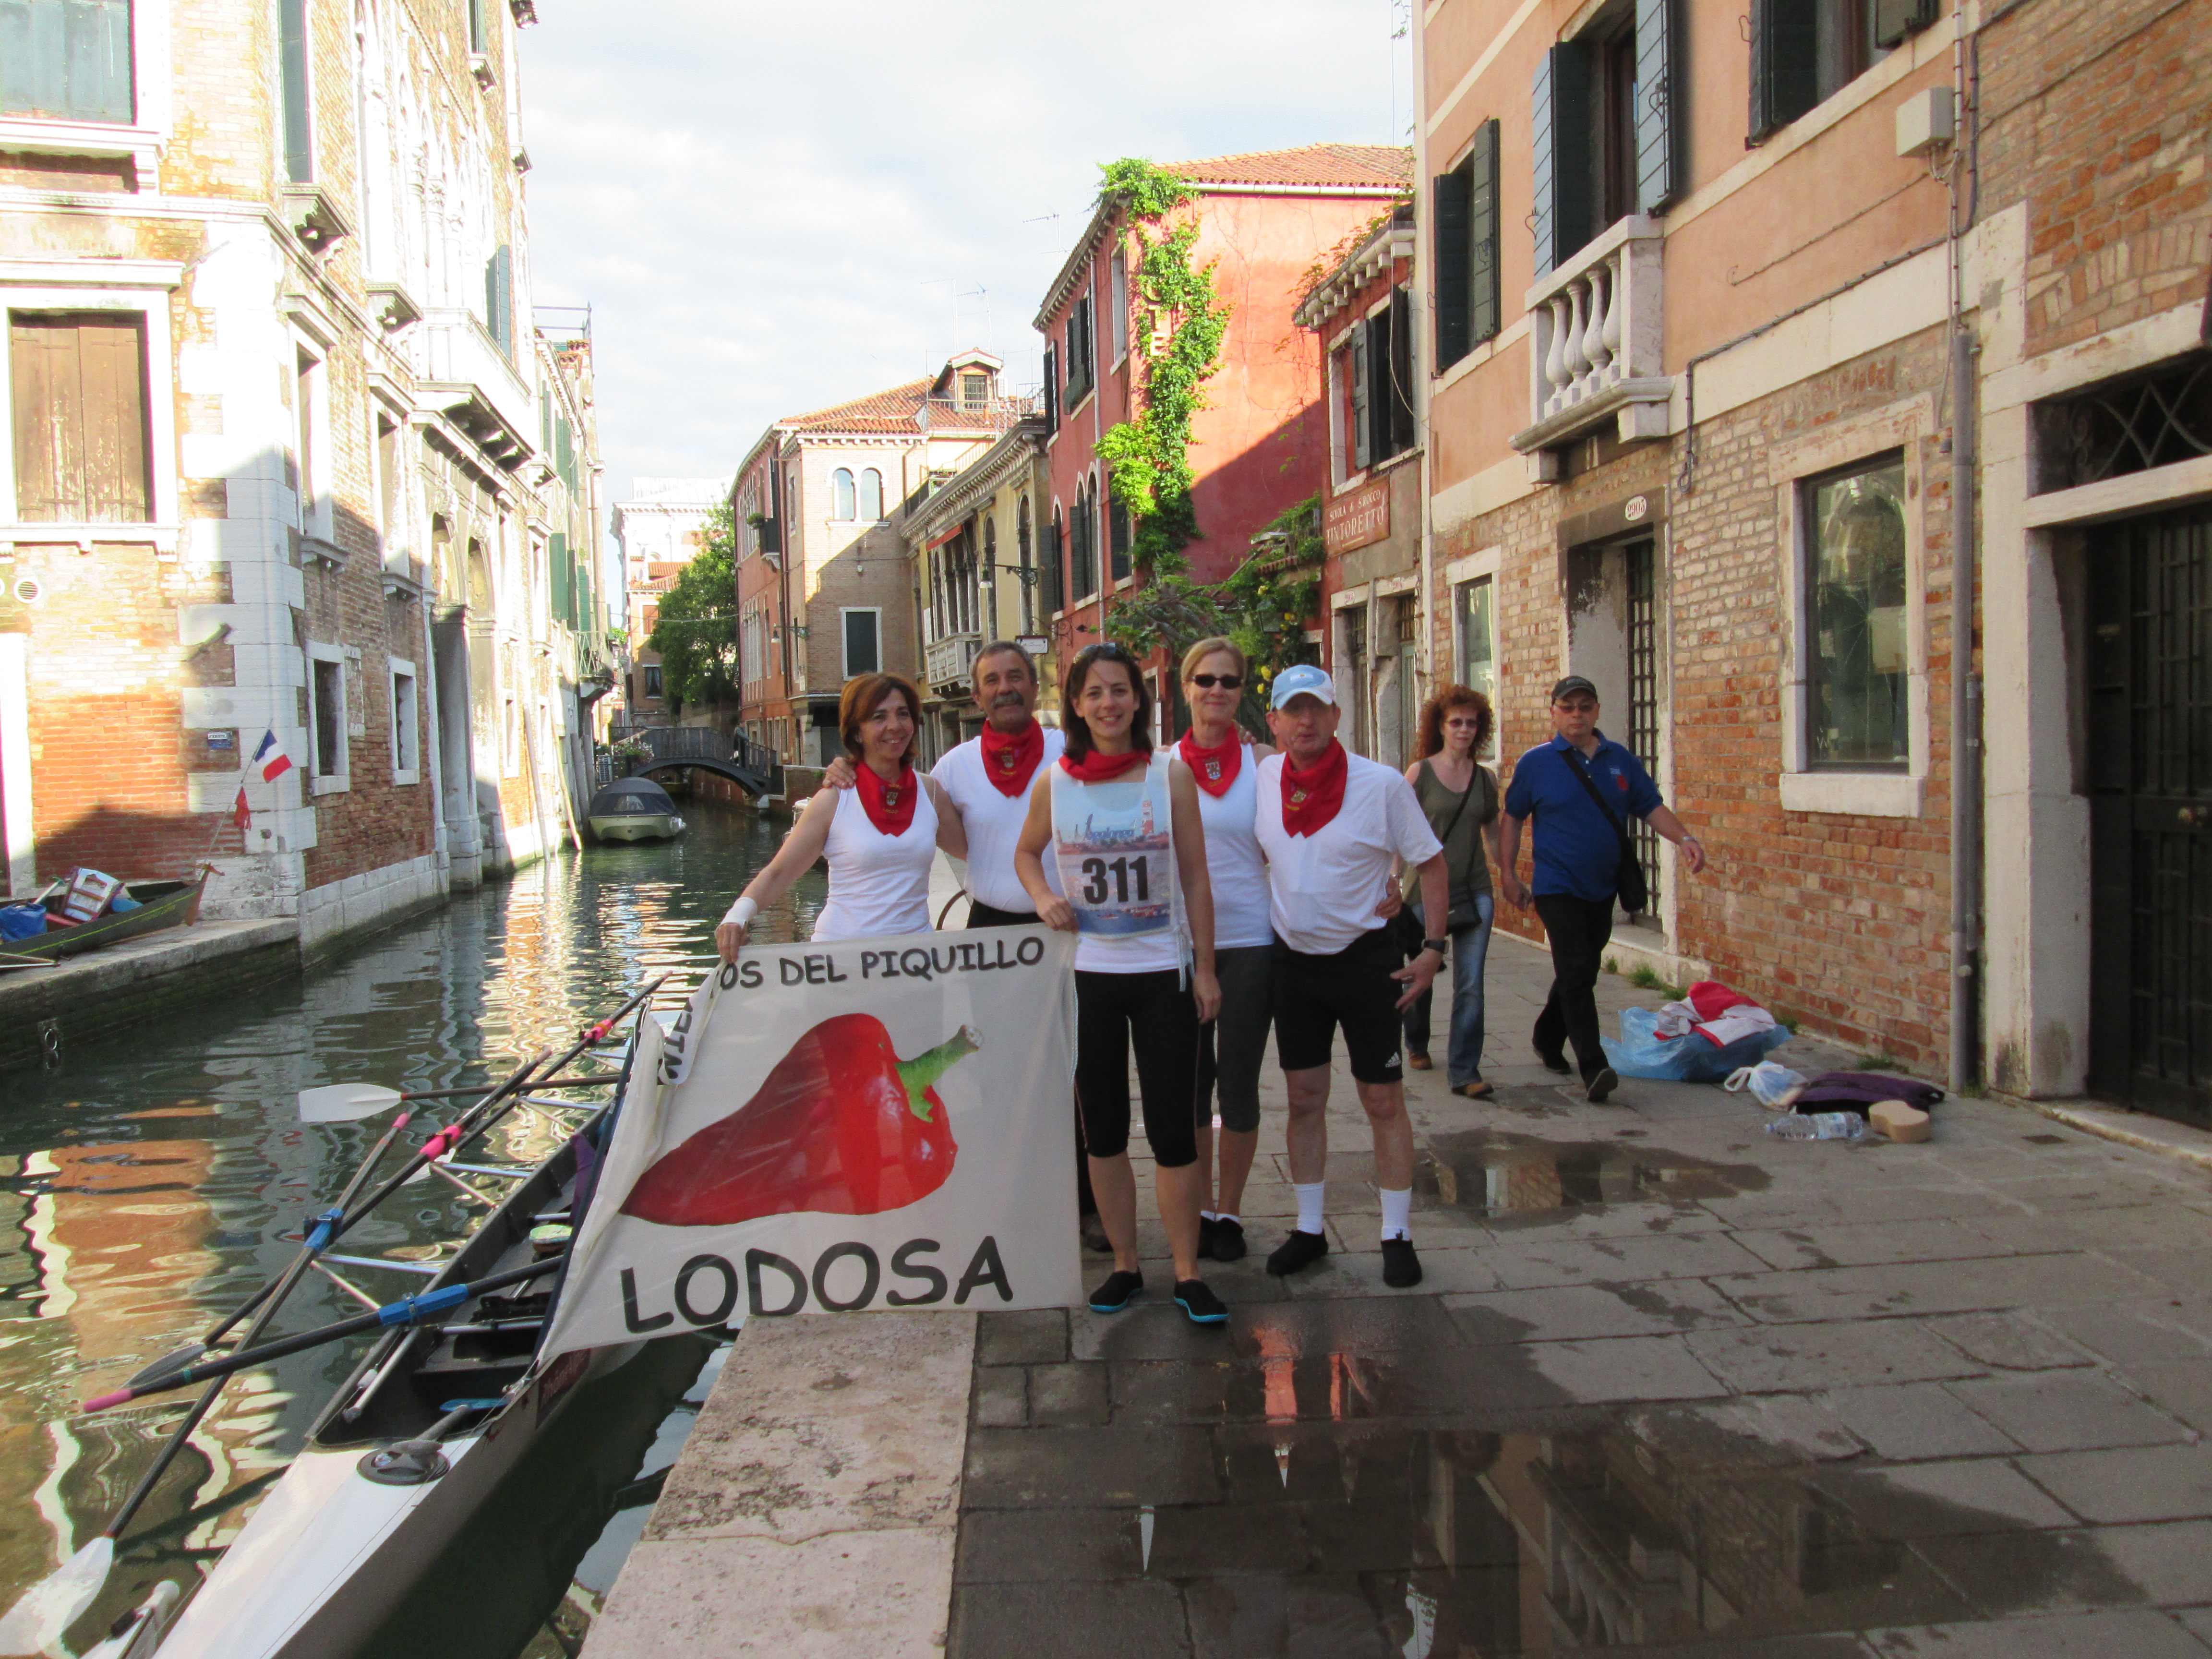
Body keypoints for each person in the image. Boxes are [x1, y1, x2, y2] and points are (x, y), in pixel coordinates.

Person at [821, 644, 1108, 1252]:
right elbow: (911, 811)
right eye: (991, 681)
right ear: (975, 696)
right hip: (989, 930)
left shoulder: (1072, 752)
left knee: (1082, 1068)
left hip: (1070, 933)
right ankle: (1013, 1196)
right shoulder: (951, 769)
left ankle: (1087, 1202)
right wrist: (840, 772)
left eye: (1015, 678)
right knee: (997, 1071)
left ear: (1037, 689)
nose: (1004, 689)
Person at [1015, 642, 1227, 1325]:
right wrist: (1044, 894)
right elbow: (1024, 851)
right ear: (1076, 705)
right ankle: (1126, 1265)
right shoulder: (1057, 781)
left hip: (1163, 971)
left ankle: (1189, 1272)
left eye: (1120, 691)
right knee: (1101, 1130)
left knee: (1174, 1131)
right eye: (1094, 693)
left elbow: (1196, 876)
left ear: (1140, 699)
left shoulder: (1170, 777)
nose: (1108, 704)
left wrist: (1208, 970)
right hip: (1089, 978)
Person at [1251, 665, 1448, 1290]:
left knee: (1382, 1100)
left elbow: (1432, 863)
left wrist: (1434, 949)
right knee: (1305, 1099)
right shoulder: (1262, 779)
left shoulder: (1381, 784)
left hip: (1367, 959)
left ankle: (1396, 1234)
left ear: (1338, 717)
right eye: (1293, 710)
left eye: (1318, 709)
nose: (1306, 722)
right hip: (1293, 962)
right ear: (1275, 722)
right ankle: (1310, 1229)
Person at [1496, 675, 1709, 1101]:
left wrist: (1684, 839)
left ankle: (1546, 1035)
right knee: (1576, 971)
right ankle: (1594, 1067)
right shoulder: (1536, 763)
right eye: (1568, 707)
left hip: (1603, 887)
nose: (1577, 715)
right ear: (1554, 711)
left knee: (1582, 970)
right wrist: (1508, 873)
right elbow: (1513, 817)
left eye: (1585, 707)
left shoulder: (1621, 761)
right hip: (1556, 886)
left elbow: (1650, 806)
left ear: (1596, 711)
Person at [715, 674, 965, 956]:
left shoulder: (931, 793)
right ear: (857, 732)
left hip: (914, 959)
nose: (894, 726)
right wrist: (737, 916)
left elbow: (977, 852)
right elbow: (780, 872)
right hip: (840, 960)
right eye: (879, 717)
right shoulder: (834, 798)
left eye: (903, 714)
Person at [1176, 637, 1276, 1264]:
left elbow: (1317, 826)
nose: (1218, 690)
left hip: (1252, 942)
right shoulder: (1162, 766)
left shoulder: (1267, 764)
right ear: (1186, 688)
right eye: (1206, 680)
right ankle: (1192, 1203)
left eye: (1230, 681)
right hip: (1182, 949)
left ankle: (1227, 1212)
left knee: (1238, 1083)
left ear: (1243, 692)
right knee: (1191, 1085)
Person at [1398, 686, 1505, 1099]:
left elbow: (1492, 832)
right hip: (1425, 894)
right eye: (1456, 722)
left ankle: (1464, 1070)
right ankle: (1417, 1041)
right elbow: (1397, 833)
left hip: (1475, 889)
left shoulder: (1485, 779)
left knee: (1471, 983)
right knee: (1423, 972)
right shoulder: (1419, 774)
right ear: (1440, 727)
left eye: (1471, 723)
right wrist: (1391, 879)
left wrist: (1508, 876)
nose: (1464, 730)